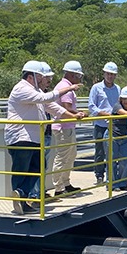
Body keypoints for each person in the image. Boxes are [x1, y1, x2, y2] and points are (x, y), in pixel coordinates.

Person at [4, 60, 84, 215]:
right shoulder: (21, 89)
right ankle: (20, 199)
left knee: (37, 169)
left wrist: (74, 116)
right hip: (21, 137)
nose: (45, 80)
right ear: (31, 76)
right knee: (22, 170)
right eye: (42, 76)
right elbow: (46, 99)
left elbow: (54, 107)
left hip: (34, 138)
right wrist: (68, 88)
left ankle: (22, 196)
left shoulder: (35, 91)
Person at [51, 60, 87, 197]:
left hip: (66, 127)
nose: (79, 79)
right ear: (72, 75)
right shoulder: (66, 88)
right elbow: (66, 107)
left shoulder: (63, 86)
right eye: (78, 76)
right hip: (63, 127)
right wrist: (78, 113)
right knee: (62, 157)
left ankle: (65, 183)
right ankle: (59, 187)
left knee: (70, 156)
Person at [88, 61, 121, 185]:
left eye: (112, 74)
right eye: (108, 74)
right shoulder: (96, 88)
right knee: (100, 151)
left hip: (114, 125)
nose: (110, 76)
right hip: (101, 125)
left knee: (114, 151)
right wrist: (105, 114)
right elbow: (92, 107)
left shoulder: (118, 89)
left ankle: (112, 175)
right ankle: (99, 175)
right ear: (104, 74)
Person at [28, 61, 55, 201]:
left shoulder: (43, 93)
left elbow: (54, 109)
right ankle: (35, 195)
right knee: (37, 166)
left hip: (46, 133)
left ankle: (40, 193)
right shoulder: (35, 94)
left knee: (42, 166)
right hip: (38, 136)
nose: (49, 81)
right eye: (46, 78)